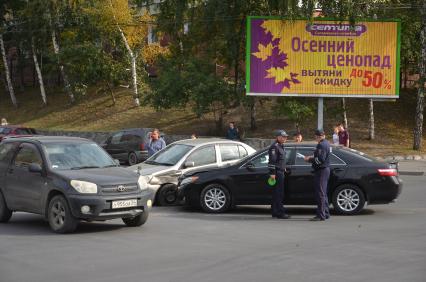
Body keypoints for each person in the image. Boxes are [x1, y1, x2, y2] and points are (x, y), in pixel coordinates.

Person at [304, 129, 331, 221]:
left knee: (320, 194)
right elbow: (320, 157)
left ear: (317, 136)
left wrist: (309, 160)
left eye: (316, 136)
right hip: (324, 170)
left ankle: (321, 215)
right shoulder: (326, 143)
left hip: (321, 170)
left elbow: (320, 160)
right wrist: (312, 157)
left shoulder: (321, 145)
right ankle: (326, 213)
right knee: (323, 193)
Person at [268, 130, 291, 219]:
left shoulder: (281, 146)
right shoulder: (274, 147)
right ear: (278, 137)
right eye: (283, 137)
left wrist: (283, 167)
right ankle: (280, 213)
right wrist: (272, 173)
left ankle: (274, 211)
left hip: (280, 171)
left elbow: (280, 160)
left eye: (286, 137)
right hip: (277, 173)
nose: (285, 138)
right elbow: (272, 162)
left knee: (276, 193)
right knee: (279, 193)